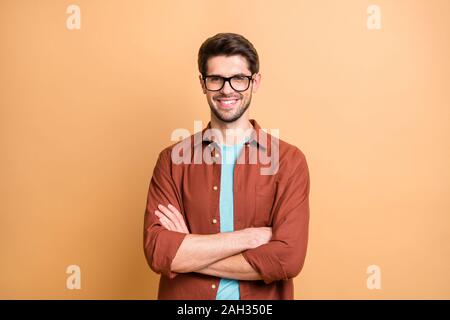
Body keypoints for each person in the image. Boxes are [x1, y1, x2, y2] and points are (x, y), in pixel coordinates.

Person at [143, 33, 310, 300]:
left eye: (239, 79)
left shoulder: (289, 161)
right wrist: (247, 238)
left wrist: (188, 252)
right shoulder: (172, 160)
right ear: (203, 83)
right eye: (216, 79)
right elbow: (158, 252)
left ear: (255, 82)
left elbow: (287, 260)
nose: (227, 89)